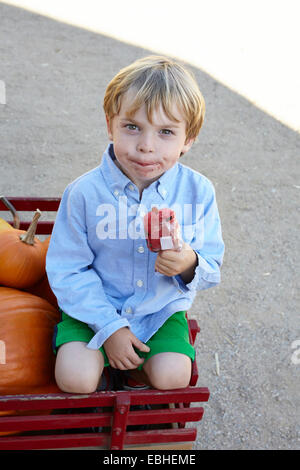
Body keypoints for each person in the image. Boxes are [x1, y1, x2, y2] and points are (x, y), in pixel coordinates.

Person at [46, 55, 224, 393]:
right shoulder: (84, 193)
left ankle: (131, 371)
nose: (146, 146)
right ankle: (103, 366)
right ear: (110, 123)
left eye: (166, 132)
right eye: (132, 127)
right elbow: (68, 269)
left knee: (173, 377)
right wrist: (110, 327)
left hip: (158, 310)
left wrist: (188, 262)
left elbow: (212, 265)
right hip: (94, 309)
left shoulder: (198, 192)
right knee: (74, 379)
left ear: (189, 139)